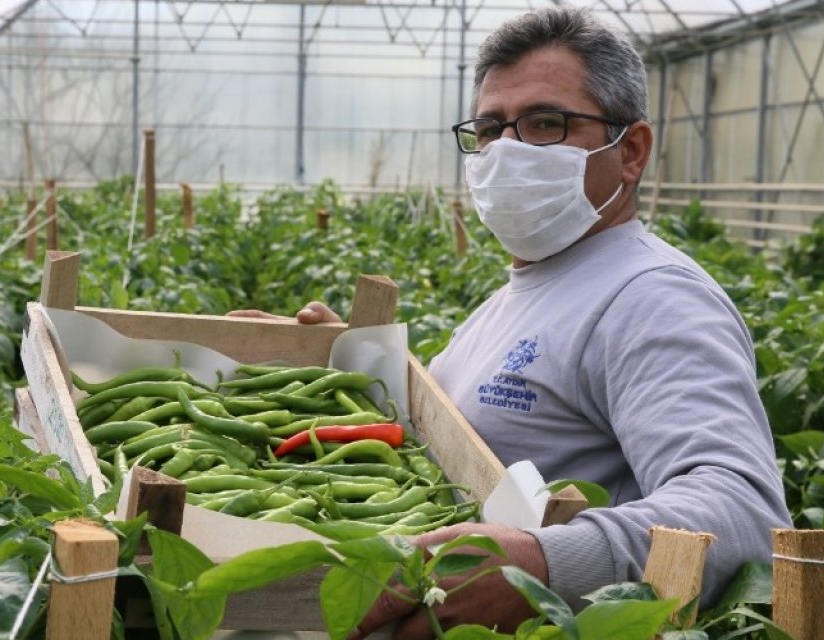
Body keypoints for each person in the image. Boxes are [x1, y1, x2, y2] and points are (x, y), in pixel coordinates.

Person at [232, 6, 791, 637]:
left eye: (545, 123)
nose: (507, 150)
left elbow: (745, 516)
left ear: (631, 150)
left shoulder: (653, 298)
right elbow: (441, 442)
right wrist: (339, 371)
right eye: (492, 128)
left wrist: (546, 566)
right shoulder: (528, 289)